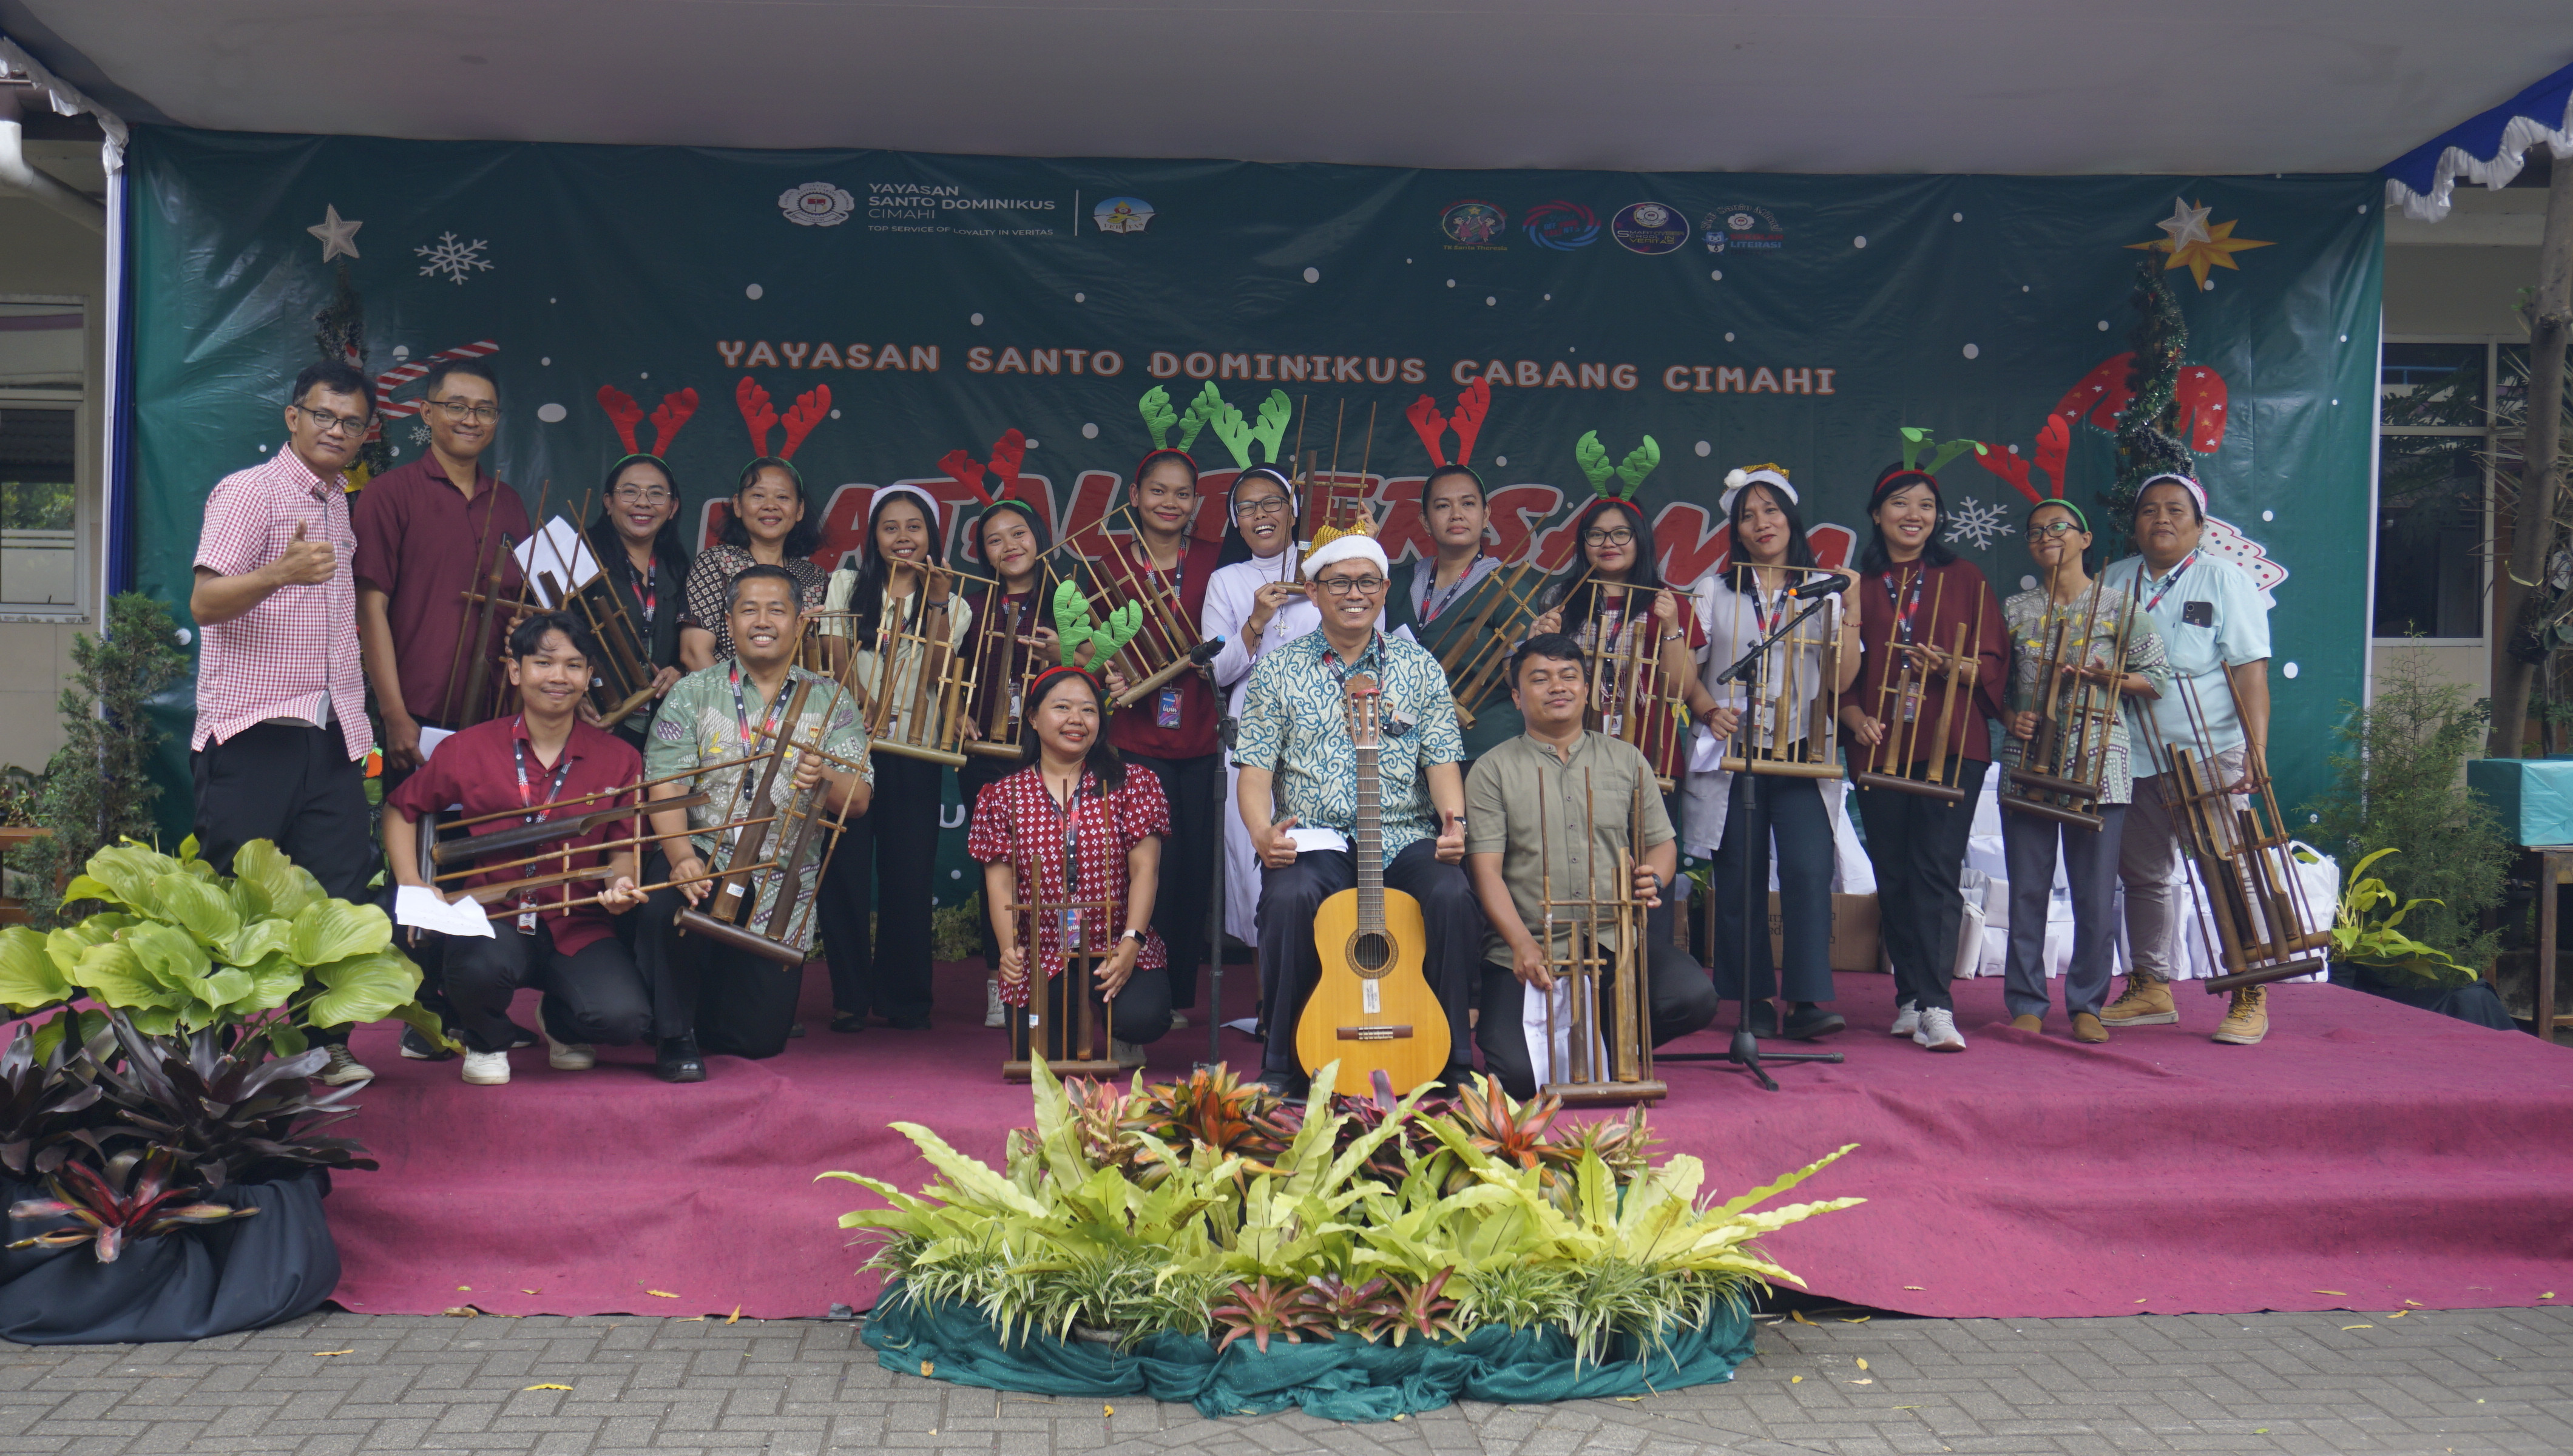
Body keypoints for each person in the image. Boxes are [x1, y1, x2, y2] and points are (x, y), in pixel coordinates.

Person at [188, 359, 382, 1087]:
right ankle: (221, 1054)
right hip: (254, 732)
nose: (336, 430)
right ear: (292, 416)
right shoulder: (248, 493)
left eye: (351, 421)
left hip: (330, 734)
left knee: (336, 893)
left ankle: (324, 1042)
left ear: (366, 435)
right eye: (324, 415)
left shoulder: (338, 504)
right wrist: (278, 573)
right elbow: (205, 605)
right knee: (239, 898)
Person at [1234, 531, 1479, 1096]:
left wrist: (1454, 824)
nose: (1354, 593)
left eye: (1366, 582)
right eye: (1339, 582)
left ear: (1385, 590)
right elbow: (1255, 772)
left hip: (1402, 834)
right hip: (1318, 838)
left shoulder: (1418, 668)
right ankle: (1283, 1063)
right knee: (1291, 896)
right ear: (1314, 593)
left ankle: (1453, 1059)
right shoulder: (1278, 671)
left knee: (1450, 894)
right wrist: (1261, 832)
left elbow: (1442, 759)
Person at [383, 613, 654, 1085]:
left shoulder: (621, 758)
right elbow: (400, 809)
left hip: (578, 920)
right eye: (544, 663)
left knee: (623, 1019)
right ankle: (486, 1039)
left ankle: (562, 1020)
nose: (558, 677)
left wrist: (621, 883)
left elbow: (621, 851)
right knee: (475, 966)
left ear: (589, 676)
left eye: (573, 666)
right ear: (516, 671)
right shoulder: (470, 747)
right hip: (493, 913)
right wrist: (413, 885)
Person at [640, 565, 870, 1079]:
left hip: (780, 879)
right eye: (748, 609)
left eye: (776, 610)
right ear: (728, 621)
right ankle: (673, 1034)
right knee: (665, 901)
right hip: (706, 853)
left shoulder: (831, 698)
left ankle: (690, 1007)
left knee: (756, 1042)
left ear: (799, 623)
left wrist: (826, 777)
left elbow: (858, 802)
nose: (762, 621)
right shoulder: (693, 692)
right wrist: (680, 859)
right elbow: (666, 786)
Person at [1467, 634, 1721, 1096]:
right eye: (1540, 679)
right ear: (1517, 697)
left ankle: (1599, 1045)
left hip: (1611, 942)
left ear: (1587, 689)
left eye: (1569, 677)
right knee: (1522, 1079)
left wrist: (1654, 877)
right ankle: (1576, 1045)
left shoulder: (1626, 760)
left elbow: (1661, 844)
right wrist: (1522, 944)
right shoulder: (1491, 769)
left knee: (1693, 997)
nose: (1557, 688)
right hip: (1529, 950)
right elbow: (1486, 871)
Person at [2096, 473, 2276, 1046]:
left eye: (2176, 510)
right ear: (2135, 524)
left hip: (2207, 750)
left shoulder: (2224, 579)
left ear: (2200, 526)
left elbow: (2250, 669)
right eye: (2149, 511)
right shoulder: (2112, 581)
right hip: (2132, 751)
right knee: (2143, 874)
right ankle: (2150, 984)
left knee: (2224, 866)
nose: (2162, 520)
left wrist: (2256, 747)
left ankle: (2250, 986)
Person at [1838, 463, 2009, 1054]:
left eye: (1926, 505)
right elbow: (1835, 667)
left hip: (1951, 744)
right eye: (1900, 504)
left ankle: (1938, 1004)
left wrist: (1955, 667)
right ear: (1877, 514)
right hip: (1881, 745)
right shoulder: (1857, 584)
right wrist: (1850, 714)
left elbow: (1992, 663)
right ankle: (1909, 995)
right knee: (1895, 873)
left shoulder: (1963, 577)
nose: (1914, 515)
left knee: (1935, 869)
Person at [1686, 468, 1858, 1040]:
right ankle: (1750, 997)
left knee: (1809, 870)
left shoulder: (1823, 588)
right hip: (1734, 754)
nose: (1762, 524)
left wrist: (1849, 608)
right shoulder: (1713, 590)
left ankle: (1808, 999)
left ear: (1792, 518)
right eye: (1748, 515)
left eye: (1772, 511)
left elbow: (1841, 680)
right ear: (1735, 529)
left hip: (1799, 753)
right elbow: (1687, 671)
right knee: (1739, 874)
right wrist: (1710, 709)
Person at [1998, 499, 2170, 1043]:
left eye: (2057, 527)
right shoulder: (2015, 610)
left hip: (2101, 761)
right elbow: (1997, 691)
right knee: (2027, 888)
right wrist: (2012, 717)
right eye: (2035, 531)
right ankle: (2026, 1000)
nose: (2046, 536)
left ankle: (2086, 1005)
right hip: (2029, 761)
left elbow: (2158, 677)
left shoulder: (2119, 608)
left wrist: (2108, 676)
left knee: (2095, 891)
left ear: (2085, 538)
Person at [816, 487, 973, 1033]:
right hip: (847, 745)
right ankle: (849, 996)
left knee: (908, 872)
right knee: (844, 872)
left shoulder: (957, 603)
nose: (903, 538)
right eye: (890, 527)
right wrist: (861, 712)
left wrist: (934, 601)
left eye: (915, 527)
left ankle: (906, 999)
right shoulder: (844, 584)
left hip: (915, 747)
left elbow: (934, 676)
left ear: (932, 536)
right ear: (873, 536)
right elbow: (834, 660)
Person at [970, 662, 1175, 1064]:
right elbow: (1000, 886)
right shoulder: (1003, 795)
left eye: (1089, 710)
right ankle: (1071, 1010)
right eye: (1062, 708)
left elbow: (1144, 871)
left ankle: (1123, 1030)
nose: (1076, 720)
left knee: (1143, 1018)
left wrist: (1132, 943)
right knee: (1046, 1055)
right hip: (1044, 950)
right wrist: (1009, 949)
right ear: (1032, 716)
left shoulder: (1133, 782)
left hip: (1114, 942)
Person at [1097, 449, 1226, 1025]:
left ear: (1195, 504)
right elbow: (1085, 643)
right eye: (1158, 491)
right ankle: (1125, 983)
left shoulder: (1219, 561)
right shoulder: (1104, 563)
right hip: (1132, 735)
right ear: (1134, 496)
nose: (1169, 503)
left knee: (1190, 867)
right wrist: (1103, 665)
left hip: (1200, 735)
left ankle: (1175, 996)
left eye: (1181, 494)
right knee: (1135, 863)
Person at [353, 356, 530, 775]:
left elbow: (523, 604)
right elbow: (370, 608)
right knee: (417, 836)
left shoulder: (510, 504)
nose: (472, 419)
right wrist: (394, 715)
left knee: (492, 838)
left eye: (484, 410)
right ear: (427, 412)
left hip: (503, 714)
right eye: (457, 406)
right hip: (419, 717)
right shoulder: (389, 494)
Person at [1202, 466, 1324, 953]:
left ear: (1293, 508)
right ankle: (1267, 996)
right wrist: (1256, 620)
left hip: (1323, 735)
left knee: (1322, 852)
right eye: (1247, 507)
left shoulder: (1323, 562)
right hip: (1251, 734)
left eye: (1272, 502)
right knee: (1259, 855)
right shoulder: (1226, 581)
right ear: (1236, 521)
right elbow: (1217, 671)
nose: (1261, 514)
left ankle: (1323, 993)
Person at [957, 497, 1064, 1026]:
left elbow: (1105, 664)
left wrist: (1062, 656)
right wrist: (955, 711)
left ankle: (1065, 977)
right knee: (997, 871)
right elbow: (942, 673)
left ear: (1039, 536)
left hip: (1058, 756)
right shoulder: (969, 606)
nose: (1009, 546)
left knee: (1061, 867)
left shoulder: (1068, 599)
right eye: (995, 539)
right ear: (983, 553)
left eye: (1018, 533)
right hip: (986, 760)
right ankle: (1002, 982)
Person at [1529, 496, 1724, 781]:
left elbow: (1677, 693)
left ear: (1641, 539)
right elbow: (1536, 682)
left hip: (1651, 755)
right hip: (1570, 753)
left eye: (1621, 533)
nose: (1609, 543)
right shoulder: (1559, 599)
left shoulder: (1668, 602)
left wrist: (1670, 627)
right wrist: (1539, 643)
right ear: (1584, 544)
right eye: (1596, 535)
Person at [1382, 464, 1527, 766]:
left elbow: (1521, 680)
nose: (1457, 514)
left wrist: (1534, 653)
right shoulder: (1396, 584)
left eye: (1468, 503)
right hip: (1404, 750)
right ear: (1425, 521)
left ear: (1486, 514)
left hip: (1482, 750)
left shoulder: (1509, 587)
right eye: (1442, 506)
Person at [583, 454, 691, 751]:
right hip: (591, 717)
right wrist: (575, 698)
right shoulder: (579, 557)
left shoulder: (679, 568)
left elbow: (691, 643)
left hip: (661, 725)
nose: (643, 503)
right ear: (608, 502)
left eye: (657, 494)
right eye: (629, 492)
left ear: (673, 508)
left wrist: (679, 671)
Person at [678, 458, 828, 669]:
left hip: (792, 700)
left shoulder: (814, 577)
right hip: (722, 698)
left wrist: (802, 634)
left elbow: (817, 662)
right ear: (738, 505)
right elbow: (694, 653)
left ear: (799, 509)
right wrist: (738, 700)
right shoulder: (716, 564)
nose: (770, 506)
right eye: (758, 496)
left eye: (783, 497)